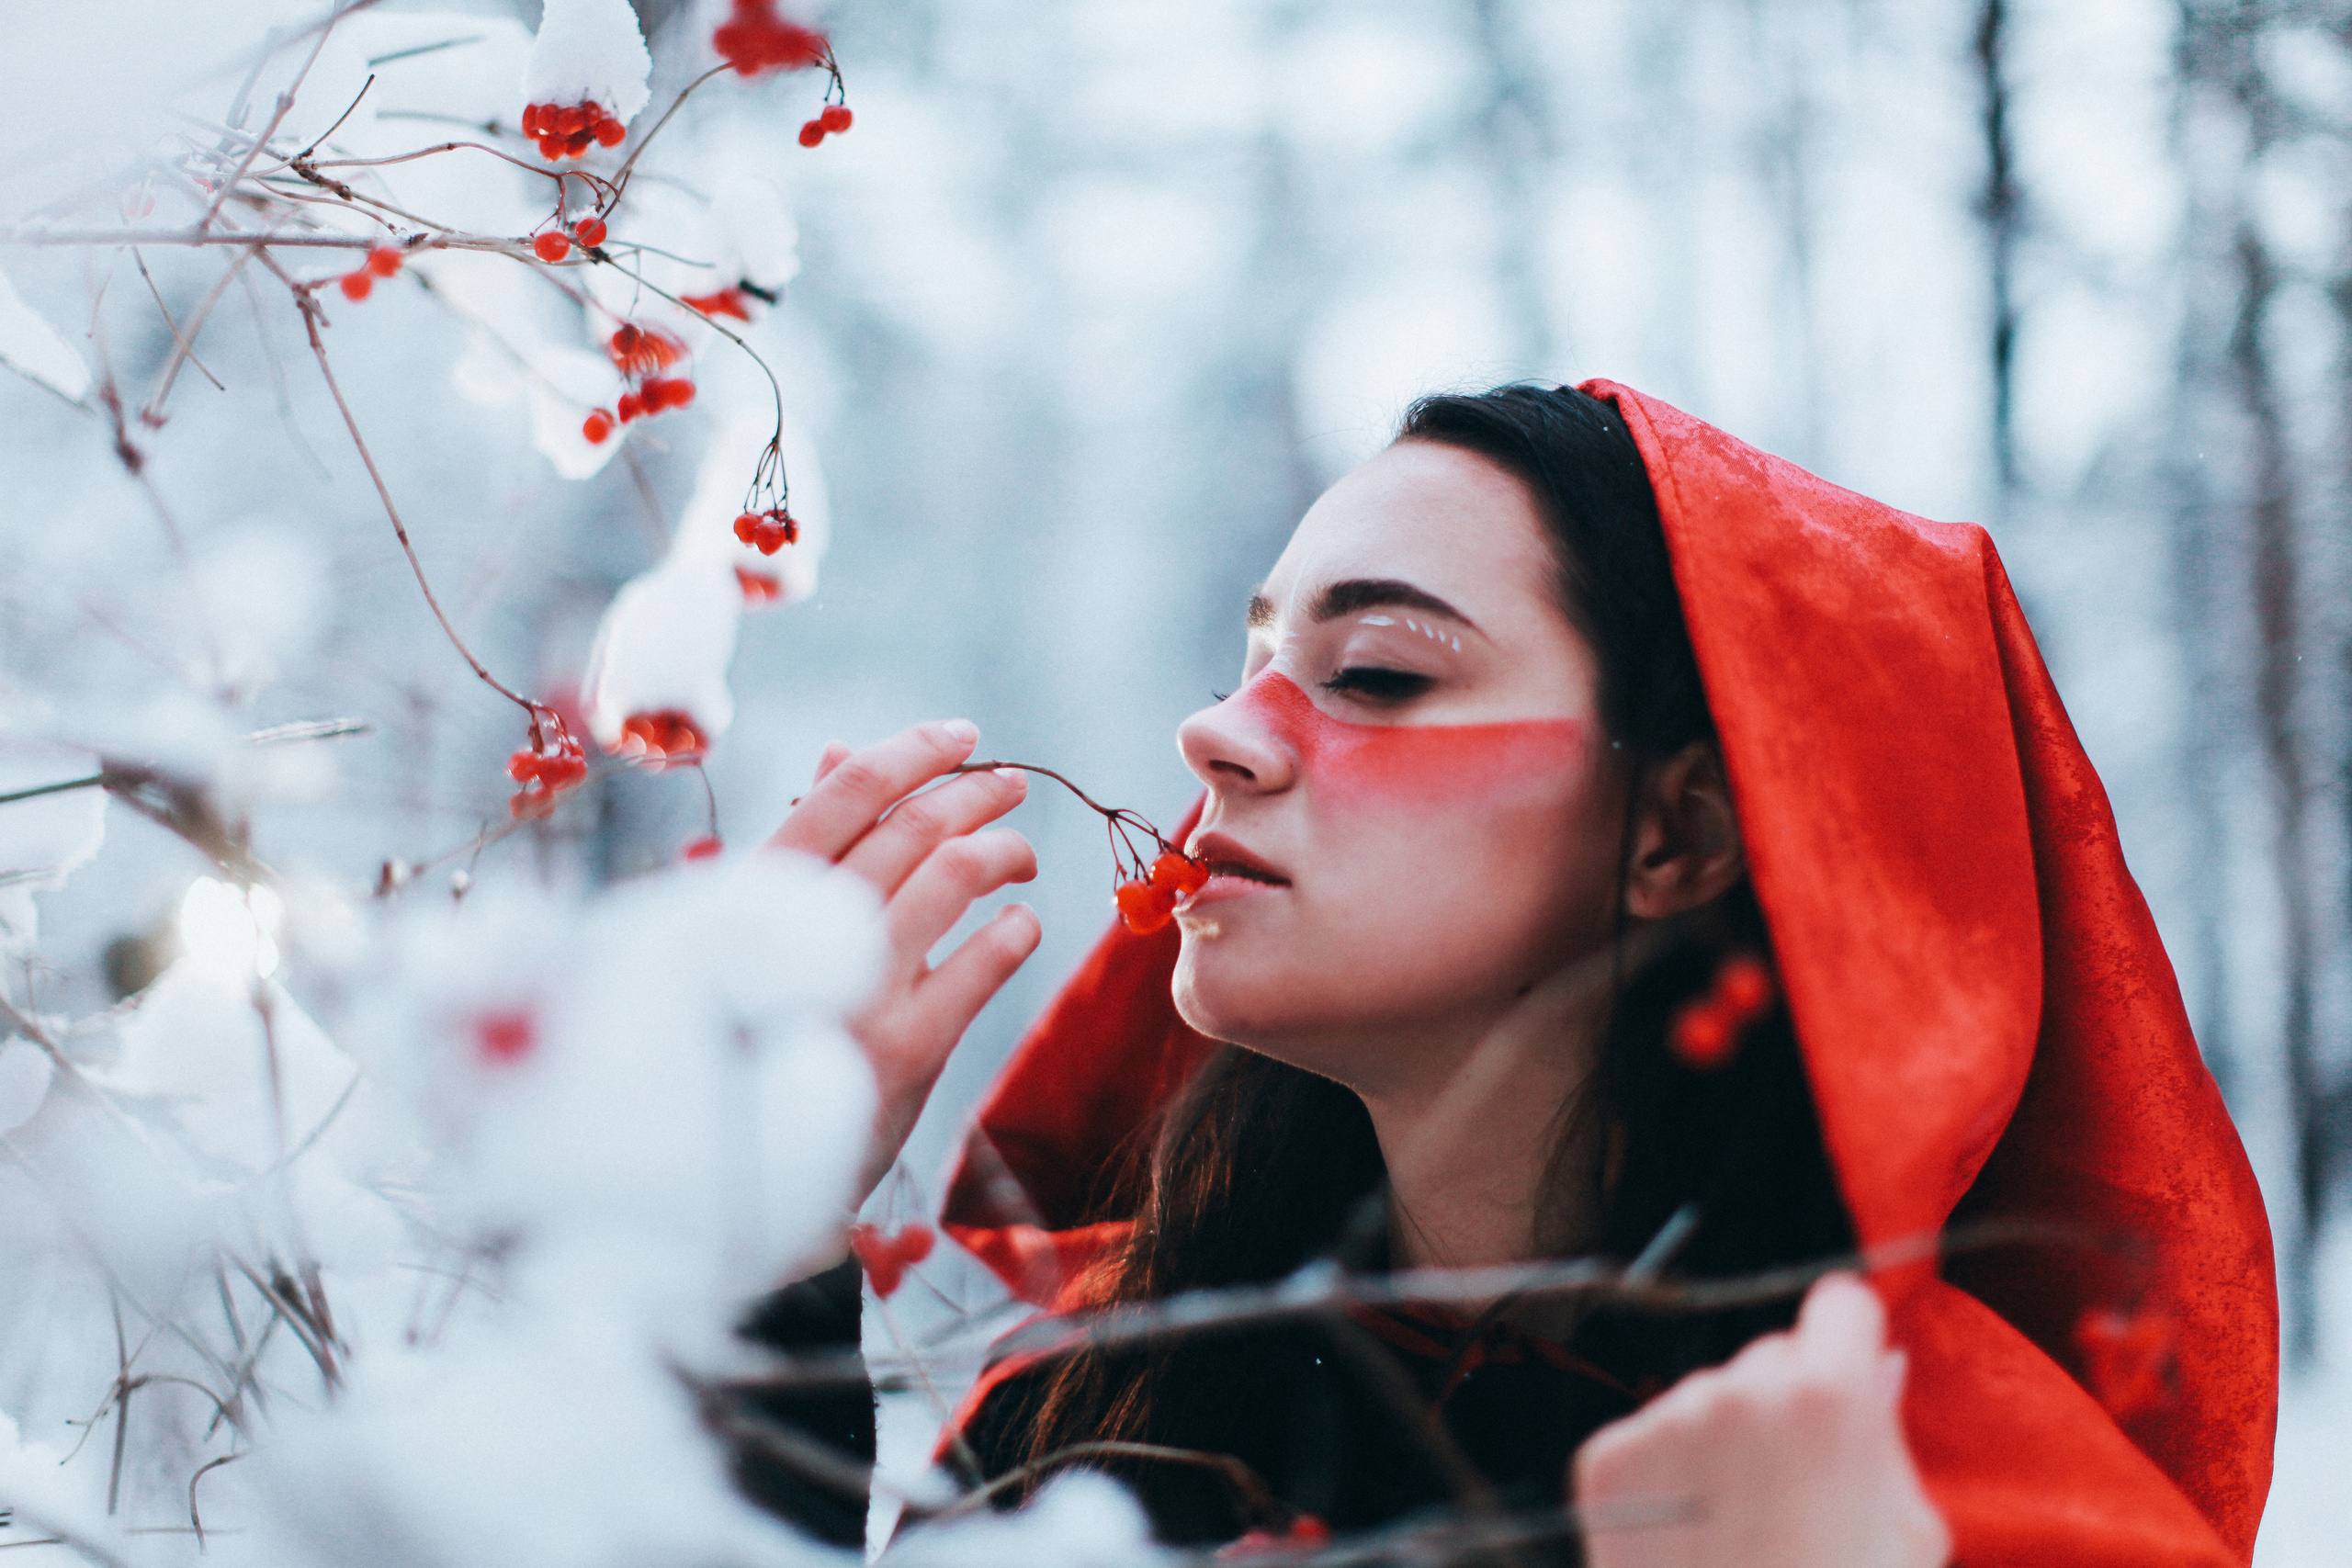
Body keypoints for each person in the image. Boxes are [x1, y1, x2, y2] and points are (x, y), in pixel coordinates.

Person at [755, 381, 2277, 1566]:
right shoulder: (1097, 1408)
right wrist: (757, 1248)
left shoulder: (1940, 1505)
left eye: (1380, 676)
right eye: (1251, 663)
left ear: (1676, 831)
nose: (1215, 733)